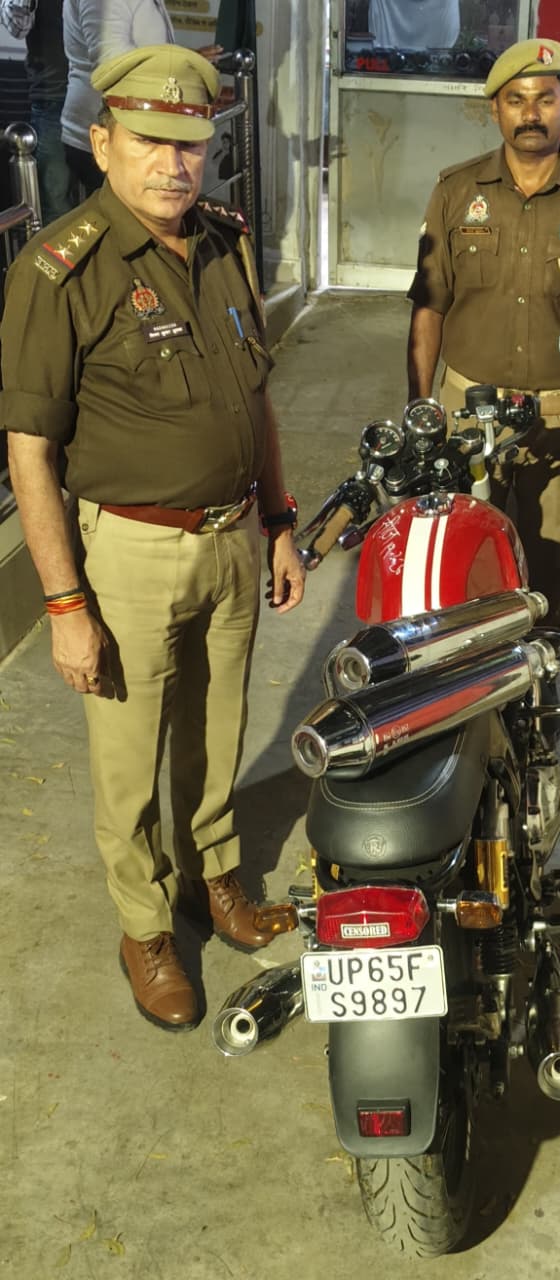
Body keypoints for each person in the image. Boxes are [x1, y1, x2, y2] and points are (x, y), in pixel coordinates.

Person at [0, 44, 306, 1030]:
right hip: (129, 553)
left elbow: (255, 397)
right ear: (102, 143)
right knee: (129, 759)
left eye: (191, 143)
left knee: (217, 735)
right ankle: (144, 926)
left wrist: (279, 519)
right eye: (149, 141)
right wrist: (64, 604)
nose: (175, 165)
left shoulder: (222, 241)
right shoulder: (62, 271)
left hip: (233, 539)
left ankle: (213, 879)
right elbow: (30, 450)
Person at [407, 37, 560, 626]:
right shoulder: (456, 191)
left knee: (548, 572)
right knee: (458, 564)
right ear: (496, 109)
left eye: (545, 99)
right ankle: (468, 673)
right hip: (465, 412)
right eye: (516, 100)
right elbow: (429, 306)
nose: (531, 113)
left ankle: (541, 673)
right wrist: (420, 410)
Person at [62, 0, 175, 199]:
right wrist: (177, 67)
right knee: (126, 215)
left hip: (132, 129)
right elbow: (112, 65)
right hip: (108, 133)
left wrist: (182, 62)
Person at [0, 0, 71, 224]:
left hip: (100, 93)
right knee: (54, 199)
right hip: (53, 96)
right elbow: (18, 27)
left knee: (108, 190)